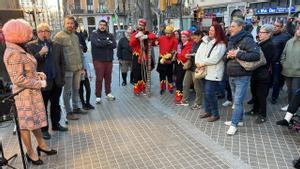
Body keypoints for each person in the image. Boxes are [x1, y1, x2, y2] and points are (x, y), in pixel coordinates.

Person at [3, 19, 57, 165]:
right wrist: (38, 83)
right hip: (23, 95)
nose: (30, 35)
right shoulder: (13, 52)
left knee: (36, 122)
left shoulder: (20, 48)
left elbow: (27, 70)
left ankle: (42, 145)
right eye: (27, 32)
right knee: (26, 125)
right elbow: (18, 79)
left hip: (31, 93)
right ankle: (30, 152)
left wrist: (37, 73)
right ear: (19, 33)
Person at [26, 23, 68, 140]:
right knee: (42, 107)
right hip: (42, 83)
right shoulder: (30, 46)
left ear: (50, 32)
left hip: (56, 81)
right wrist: (40, 54)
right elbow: (30, 64)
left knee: (55, 104)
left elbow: (62, 63)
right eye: (41, 31)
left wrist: (62, 78)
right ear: (37, 33)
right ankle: (44, 130)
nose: (44, 33)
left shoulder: (57, 45)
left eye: (46, 31)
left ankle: (56, 124)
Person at [224, 18, 260, 135]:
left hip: (242, 75)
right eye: (230, 26)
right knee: (235, 100)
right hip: (231, 74)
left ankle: (234, 125)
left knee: (238, 101)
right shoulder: (231, 40)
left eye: (233, 26)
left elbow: (255, 55)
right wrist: (228, 56)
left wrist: (238, 53)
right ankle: (239, 120)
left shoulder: (247, 39)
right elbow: (225, 56)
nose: (230, 28)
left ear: (240, 27)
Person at [54, 16, 87, 121]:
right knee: (67, 91)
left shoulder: (75, 36)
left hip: (77, 68)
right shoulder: (59, 36)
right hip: (67, 70)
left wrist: (82, 66)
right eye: (68, 23)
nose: (70, 25)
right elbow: (56, 55)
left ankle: (76, 107)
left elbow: (80, 52)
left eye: (72, 23)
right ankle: (69, 112)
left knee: (76, 89)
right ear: (64, 24)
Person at [195, 24, 227, 122]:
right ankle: (208, 111)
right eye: (210, 30)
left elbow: (215, 59)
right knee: (206, 92)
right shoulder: (205, 41)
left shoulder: (221, 44)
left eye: (212, 30)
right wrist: (198, 62)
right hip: (204, 70)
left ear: (218, 32)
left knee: (210, 93)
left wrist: (202, 62)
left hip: (214, 72)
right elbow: (198, 53)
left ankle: (215, 114)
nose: (210, 32)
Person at [246, 24, 274, 123]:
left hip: (263, 73)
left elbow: (263, 60)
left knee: (261, 95)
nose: (259, 34)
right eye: (260, 32)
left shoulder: (269, 45)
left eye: (262, 32)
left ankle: (263, 115)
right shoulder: (260, 43)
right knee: (254, 93)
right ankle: (255, 110)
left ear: (269, 34)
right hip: (255, 73)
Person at [91, 19, 116, 103]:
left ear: (106, 26)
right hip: (98, 60)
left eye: (104, 25)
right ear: (98, 25)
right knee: (99, 78)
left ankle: (108, 93)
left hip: (109, 60)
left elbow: (114, 45)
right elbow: (97, 44)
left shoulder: (110, 34)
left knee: (108, 78)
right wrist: (108, 41)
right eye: (101, 25)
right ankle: (98, 96)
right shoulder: (94, 34)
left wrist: (103, 42)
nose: (102, 26)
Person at [129, 18, 156, 95]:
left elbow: (153, 36)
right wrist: (136, 37)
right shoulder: (134, 34)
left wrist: (146, 36)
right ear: (137, 25)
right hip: (137, 56)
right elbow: (131, 43)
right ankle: (137, 89)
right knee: (137, 73)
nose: (140, 26)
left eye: (142, 25)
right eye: (139, 25)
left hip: (145, 56)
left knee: (145, 73)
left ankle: (144, 88)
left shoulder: (147, 33)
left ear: (144, 26)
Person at [73, 20, 95, 110]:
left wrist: (82, 47)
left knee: (88, 87)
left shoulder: (79, 35)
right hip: (75, 66)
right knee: (80, 87)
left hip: (83, 64)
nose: (73, 28)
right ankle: (83, 104)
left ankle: (88, 103)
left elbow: (85, 48)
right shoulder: (66, 37)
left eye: (74, 26)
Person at [180, 30, 204, 110]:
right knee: (185, 84)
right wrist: (189, 54)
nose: (194, 40)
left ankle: (198, 103)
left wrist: (192, 54)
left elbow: (202, 55)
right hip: (190, 66)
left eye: (195, 38)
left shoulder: (203, 44)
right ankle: (184, 100)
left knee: (197, 87)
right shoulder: (194, 43)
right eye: (193, 38)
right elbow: (192, 51)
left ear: (200, 36)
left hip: (197, 67)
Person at [270, 20, 292, 106]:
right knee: (268, 80)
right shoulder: (270, 35)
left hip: (277, 63)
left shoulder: (286, 37)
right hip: (269, 62)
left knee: (276, 81)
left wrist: (283, 62)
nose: (275, 27)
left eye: (277, 26)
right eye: (274, 25)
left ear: (281, 27)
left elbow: (287, 51)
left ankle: (274, 97)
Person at [280, 25, 300, 111]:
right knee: (289, 91)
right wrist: (284, 64)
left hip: (298, 72)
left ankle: (293, 109)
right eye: (298, 29)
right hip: (287, 70)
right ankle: (289, 105)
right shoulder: (289, 41)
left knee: (295, 91)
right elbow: (283, 54)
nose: (299, 31)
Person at [156, 25, 178, 95]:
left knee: (169, 74)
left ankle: (170, 88)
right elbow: (155, 42)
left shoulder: (174, 39)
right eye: (166, 33)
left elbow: (174, 50)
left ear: (172, 33)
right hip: (161, 59)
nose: (168, 34)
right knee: (162, 75)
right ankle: (162, 88)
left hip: (169, 58)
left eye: (169, 33)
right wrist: (155, 41)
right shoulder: (161, 38)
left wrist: (170, 55)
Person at [174, 30, 193, 104]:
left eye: (184, 37)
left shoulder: (190, 45)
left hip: (184, 65)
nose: (183, 38)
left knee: (183, 81)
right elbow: (179, 54)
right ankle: (179, 94)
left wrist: (180, 55)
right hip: (178, 64)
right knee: (178, 80)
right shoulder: (179, 44)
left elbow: (186, 56)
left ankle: (182, 95)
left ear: (188, 37)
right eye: (182, 37)